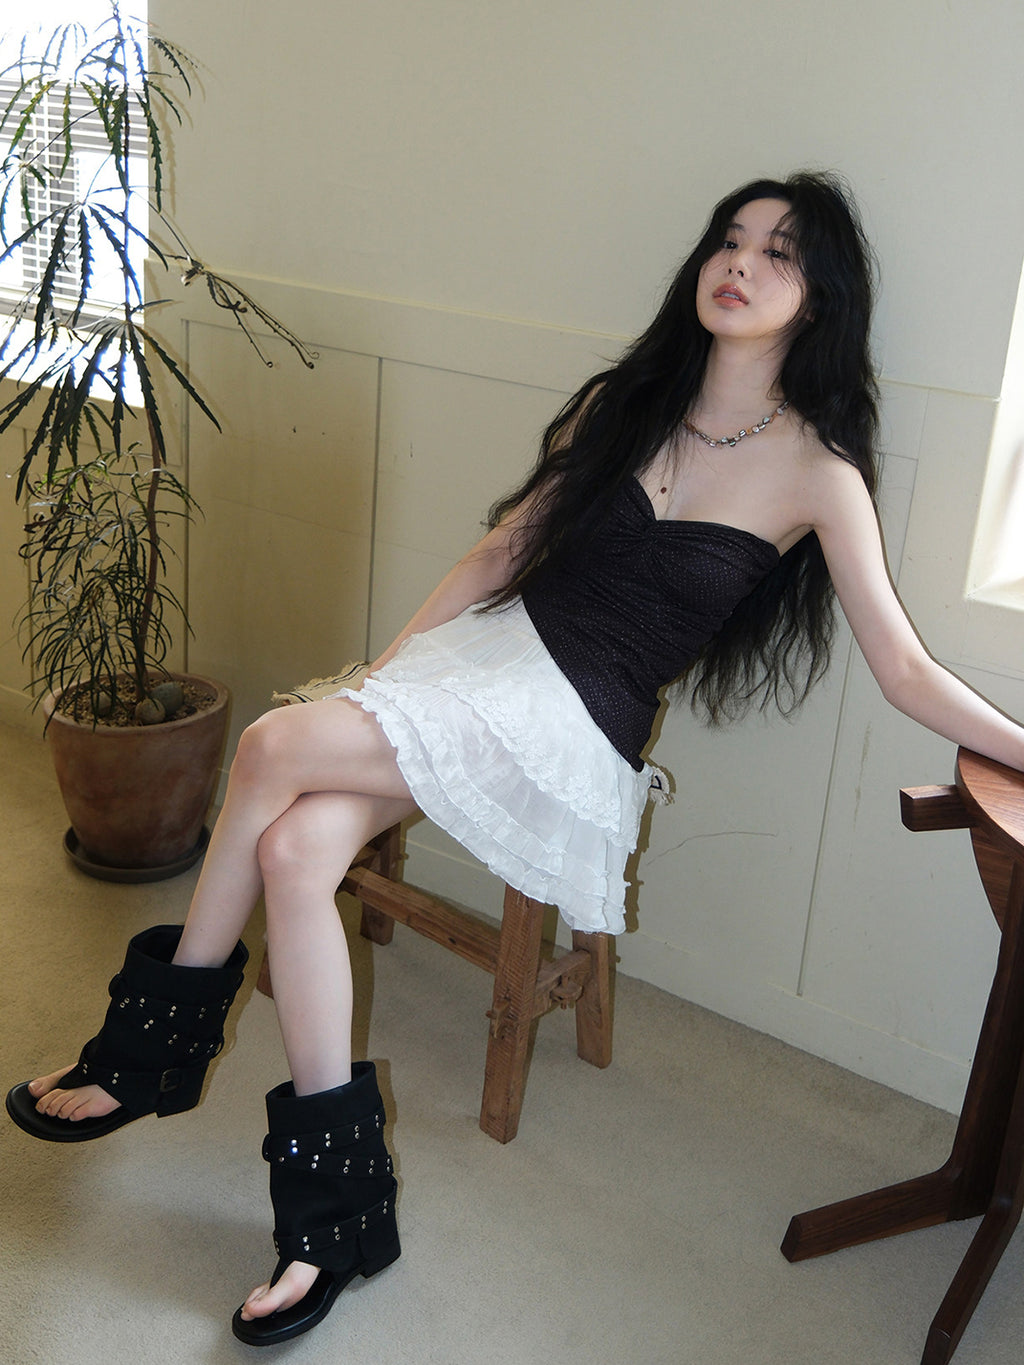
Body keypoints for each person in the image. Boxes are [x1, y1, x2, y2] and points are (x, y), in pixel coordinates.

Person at [7, 171, 1024, 1347]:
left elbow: (903, 669)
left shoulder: (819, 472)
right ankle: (334, 1225)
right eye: (729, 239)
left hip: (572, 720)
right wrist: (385, 683)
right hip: (484, 661)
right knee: (293, 851)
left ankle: (149, 1054)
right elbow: (498, 556)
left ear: (819, 297)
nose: (741, 263)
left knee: (273, 744)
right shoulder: (626, 405)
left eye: (779, 252)